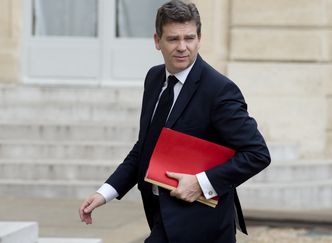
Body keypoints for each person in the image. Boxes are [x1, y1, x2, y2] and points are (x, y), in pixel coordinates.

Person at [78, 1, 270, 242]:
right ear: (157, 41)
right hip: (161, 214)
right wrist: (105, 192)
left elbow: (257, 154)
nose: (182, 47)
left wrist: (201, 184)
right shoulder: (154, 78)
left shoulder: (219, 90)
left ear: (199, 39)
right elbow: (145, 146)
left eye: (189, 38)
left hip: (202, 225)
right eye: (173, 39)